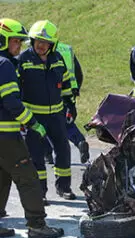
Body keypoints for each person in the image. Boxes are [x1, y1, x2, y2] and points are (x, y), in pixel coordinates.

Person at [0, 18, 64, 238]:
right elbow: (11, 102)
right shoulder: (5, 65)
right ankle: (37, 225)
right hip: (6, 135)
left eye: (20, 41)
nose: (19, 46)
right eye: (15, 41)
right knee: (28, 178)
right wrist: (33, 123)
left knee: (2, 176)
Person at [17, 20, 76, 201]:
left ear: (52, 44)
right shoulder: (23, 60)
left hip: (56, 115)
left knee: (63, 149)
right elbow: (16, 89)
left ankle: (64, 188)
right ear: (32, 41)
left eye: (45, 42)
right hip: (34, 117)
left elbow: (66, 84)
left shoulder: (57, 59)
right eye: (38, 41)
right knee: (36, 155)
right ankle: (40, 192)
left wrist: (70, 104)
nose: (41, 45)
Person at [55, 41, 89, 163]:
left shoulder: (40, 51)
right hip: (69, 92)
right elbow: (78, 72)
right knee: (67, 121)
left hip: (51, 94)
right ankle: (79, 141)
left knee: (48, 123)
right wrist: (75, 89)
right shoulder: (66, 49)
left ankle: (48, 154)